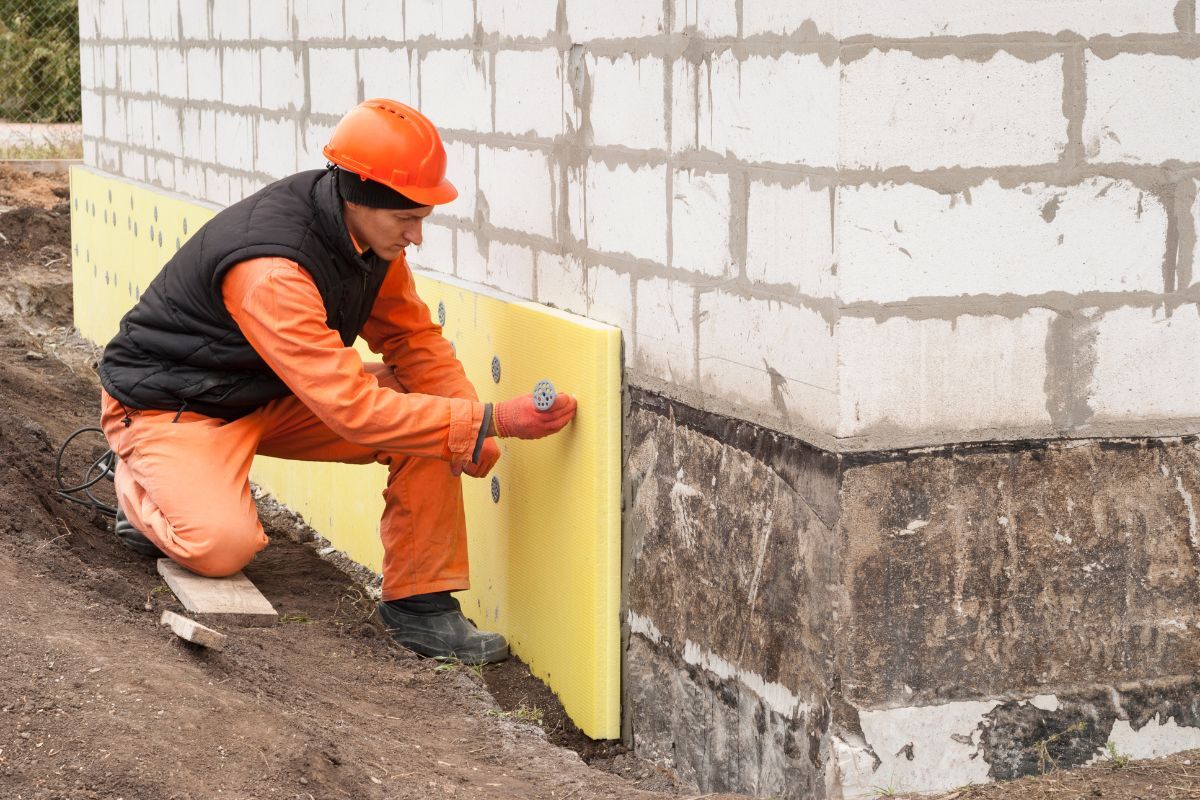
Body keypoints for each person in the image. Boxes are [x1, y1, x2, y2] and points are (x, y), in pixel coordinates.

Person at [96, 99, 577, 665]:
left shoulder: (368, 238)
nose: (417, 236)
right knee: (222, 547)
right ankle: (142, 489)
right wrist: (492, 419)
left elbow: (414, 341)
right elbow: (352, 410)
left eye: (422, 216)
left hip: (271, 392)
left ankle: (420, 603)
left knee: (431, 413)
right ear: (361, 198)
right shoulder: (274, 270)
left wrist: (468, 420)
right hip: (175, 406)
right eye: (407, 219)